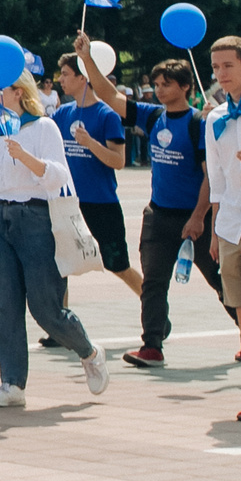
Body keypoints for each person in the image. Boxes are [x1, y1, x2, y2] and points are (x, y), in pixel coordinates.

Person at [78, 49, 229, 369]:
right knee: (153, 283)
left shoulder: (199, 122)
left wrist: (199, 217)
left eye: (167, 84)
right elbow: (107, 93)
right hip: (158, 216)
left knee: (220, 281)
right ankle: (152, 346)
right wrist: (87, 57)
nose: (159, 89)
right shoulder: (151, 115)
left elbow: (210, 176)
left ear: (186, 87)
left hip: (194, 220)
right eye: (157, 84)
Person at [0, 70, 109, 409]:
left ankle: (89, 352)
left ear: (18, 92)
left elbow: (58, 177)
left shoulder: (43, 126)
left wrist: (25, 157)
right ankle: (12, 383)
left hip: (35, 218)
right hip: (0, 217)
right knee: (4, 305)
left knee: (45, 308)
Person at [205, 35, 241, 420]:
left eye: (228, 66)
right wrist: (214, 230)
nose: (220, 74)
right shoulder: (214, 118)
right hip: (231, 225)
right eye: (215, 67)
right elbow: (218, 179)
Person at [52, 52, 141, 298]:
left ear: (83, 77)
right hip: (69, 204)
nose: (61, 79)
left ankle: (154, 310)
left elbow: (118, 161)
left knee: (118, 265)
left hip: (101, 204)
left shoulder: (107, 115)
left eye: (66, 74)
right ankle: (62, 330)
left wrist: (90, 143)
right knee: (60, 267)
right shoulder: (62, 114)